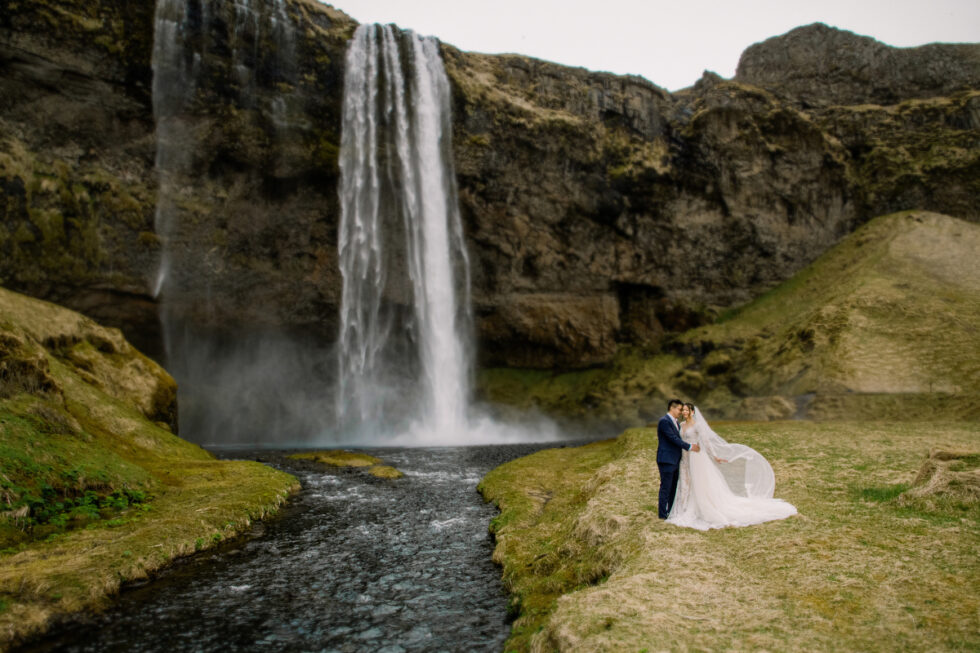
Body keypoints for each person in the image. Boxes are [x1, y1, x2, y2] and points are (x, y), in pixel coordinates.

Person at [666, 403, 797, 530]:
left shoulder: (697, 425)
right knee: (684, 482)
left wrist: (715, 456)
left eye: (687, 410)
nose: (684, 412)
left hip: (696, 458)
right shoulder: (681, 425)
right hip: (684, 458)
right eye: (683, 410)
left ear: (692, 412)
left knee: (697, 483)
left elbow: (706, 442)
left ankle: (697, 507)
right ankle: (683, 507)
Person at [656, 399, 700, 518]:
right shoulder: (664, 421)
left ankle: (671, 511)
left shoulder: (676, 422)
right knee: (666, 487)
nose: (681, 412)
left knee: (673, 488)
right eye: (680, 409)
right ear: (672, 408)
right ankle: (662, 514)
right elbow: (673, 438)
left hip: (676, 459)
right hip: (666, 459)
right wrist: (689, 446)